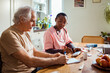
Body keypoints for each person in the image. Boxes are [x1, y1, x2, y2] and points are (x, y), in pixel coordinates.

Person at [0, 6, 66, 73]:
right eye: (32, 21)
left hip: (33, 69)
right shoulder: (9, 34)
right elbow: (29, 61)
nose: (34, 25)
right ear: (22, 19)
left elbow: (35, 53)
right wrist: (56, 60)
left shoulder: (25, 33)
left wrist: (53, 56)